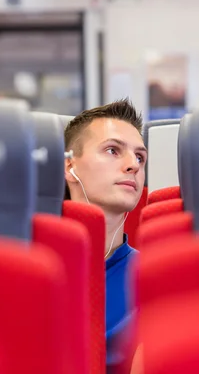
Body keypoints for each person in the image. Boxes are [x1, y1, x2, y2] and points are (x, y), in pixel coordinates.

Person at [63, 99, 146, 372]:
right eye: (113, 150)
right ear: (69, 166)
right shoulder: (31, 267)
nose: (132, 165)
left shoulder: (150, 277)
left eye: (139, 157)